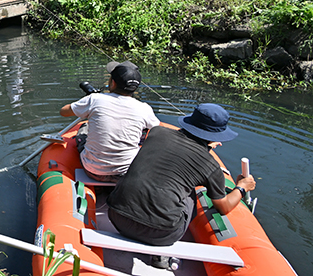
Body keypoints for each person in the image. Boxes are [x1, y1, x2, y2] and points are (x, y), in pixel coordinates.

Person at [107, 103, 256, 268]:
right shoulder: (211, 166)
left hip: (116, 218)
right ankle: (161, 254)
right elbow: (223, 206)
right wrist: (242, 187)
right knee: (190, 192)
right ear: (215, 138)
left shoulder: (156, 132)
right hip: (161, 234)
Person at [59, 61, 160, 182]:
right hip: (125, 174)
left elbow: (63, 112)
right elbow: (158, 130)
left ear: (112, 82)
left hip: (93, 171)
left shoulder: (95, 99)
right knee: (144, 134)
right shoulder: (144, 108)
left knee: (84, 128)